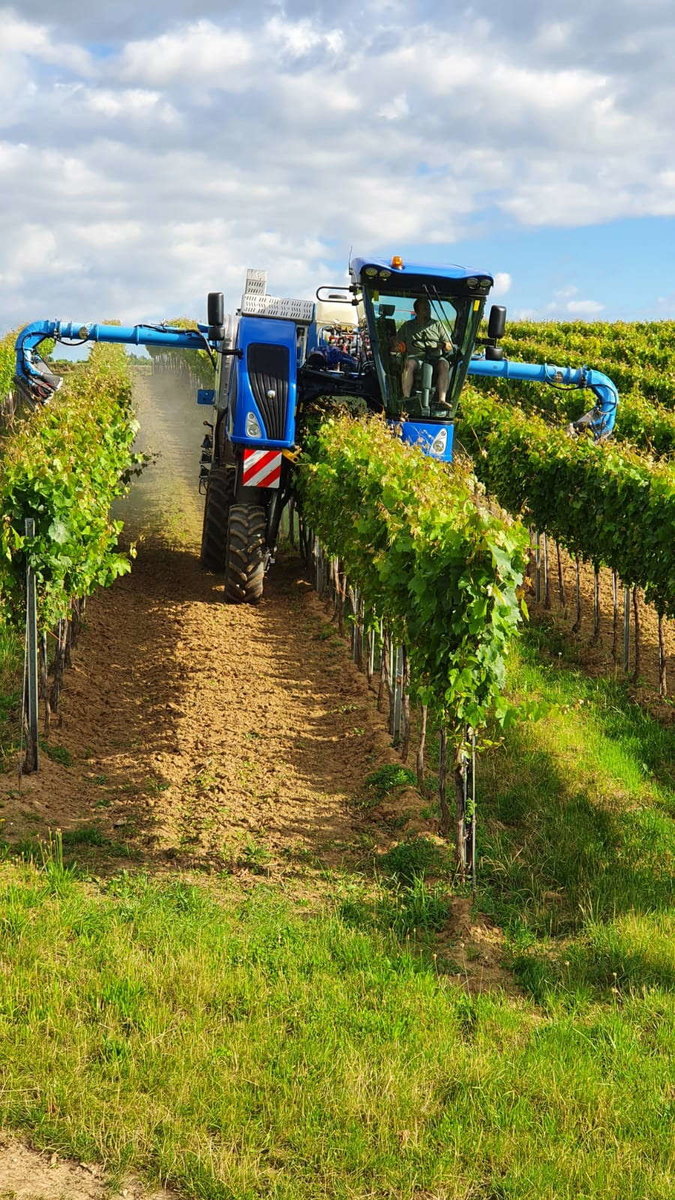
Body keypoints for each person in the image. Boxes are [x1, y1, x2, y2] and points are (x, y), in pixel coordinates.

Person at [394, 298, 453, 407]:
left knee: (444, 364)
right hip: (417, 358)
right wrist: (397, 347)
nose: (428, 310)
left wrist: (443, 345)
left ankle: (442, 400)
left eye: (428, 308)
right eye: (425, 308)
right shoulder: (407, 326)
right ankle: (406, 397)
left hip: (435, 358)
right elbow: (397, 344)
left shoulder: (437, 325)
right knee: (409, 364)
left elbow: (450, 345)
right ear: (417, 311)